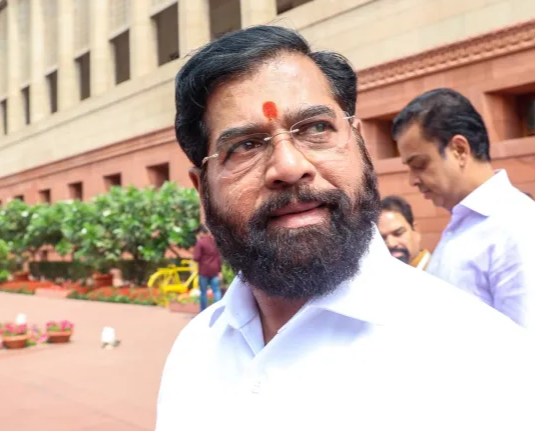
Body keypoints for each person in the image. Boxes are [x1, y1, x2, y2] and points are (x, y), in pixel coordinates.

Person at [156, 26, 533, 431]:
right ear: (202, 189)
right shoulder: (193, 352)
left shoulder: (484, 359)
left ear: (359, 145)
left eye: (316, 128)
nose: (290, 166)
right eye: (245, 145)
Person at [393, 88, 535, 327]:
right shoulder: (463, 224)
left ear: (459, 150)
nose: (412, 180)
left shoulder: (517, 227)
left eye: (419, 164)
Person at [378, 195, 431, 269]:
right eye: (382, 238)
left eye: (398, 233)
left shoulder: (441, 270)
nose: (391, 244)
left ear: (416, 230)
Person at [192, 225, 222, 311]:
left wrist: (198, 243)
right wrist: (220, 271)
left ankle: (203, 310)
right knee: (216, 291)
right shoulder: (215, 242)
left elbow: (196, 258)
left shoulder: (200, 242)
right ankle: (218, 310)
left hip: (204, 271)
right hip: (215, 270)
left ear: (201, 233)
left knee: (203, 292)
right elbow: (219, 257)